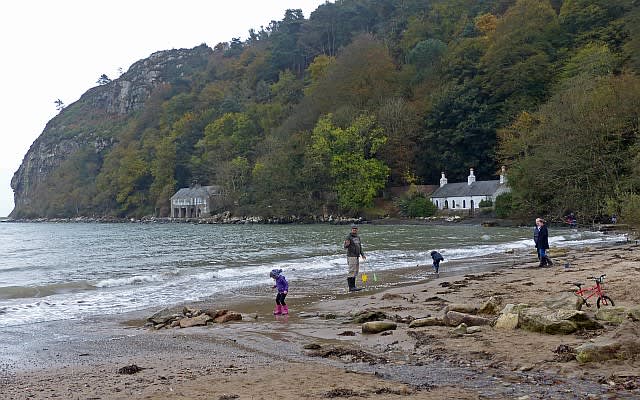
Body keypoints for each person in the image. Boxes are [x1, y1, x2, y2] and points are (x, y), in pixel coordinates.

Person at [344, 224, 366, 292]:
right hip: (351, 256)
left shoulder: (358, 237)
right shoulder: (348, 237)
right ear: (351, 230)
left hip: (357, 256)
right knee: (352, 271)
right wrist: (346, 244)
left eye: (355, 229)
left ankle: (354, 286)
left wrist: (362, 254)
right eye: (353, 229)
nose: (354, 230)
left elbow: (360, 246)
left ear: (357, 230)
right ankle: (351, 288)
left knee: (356, 271)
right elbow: (345, 246)